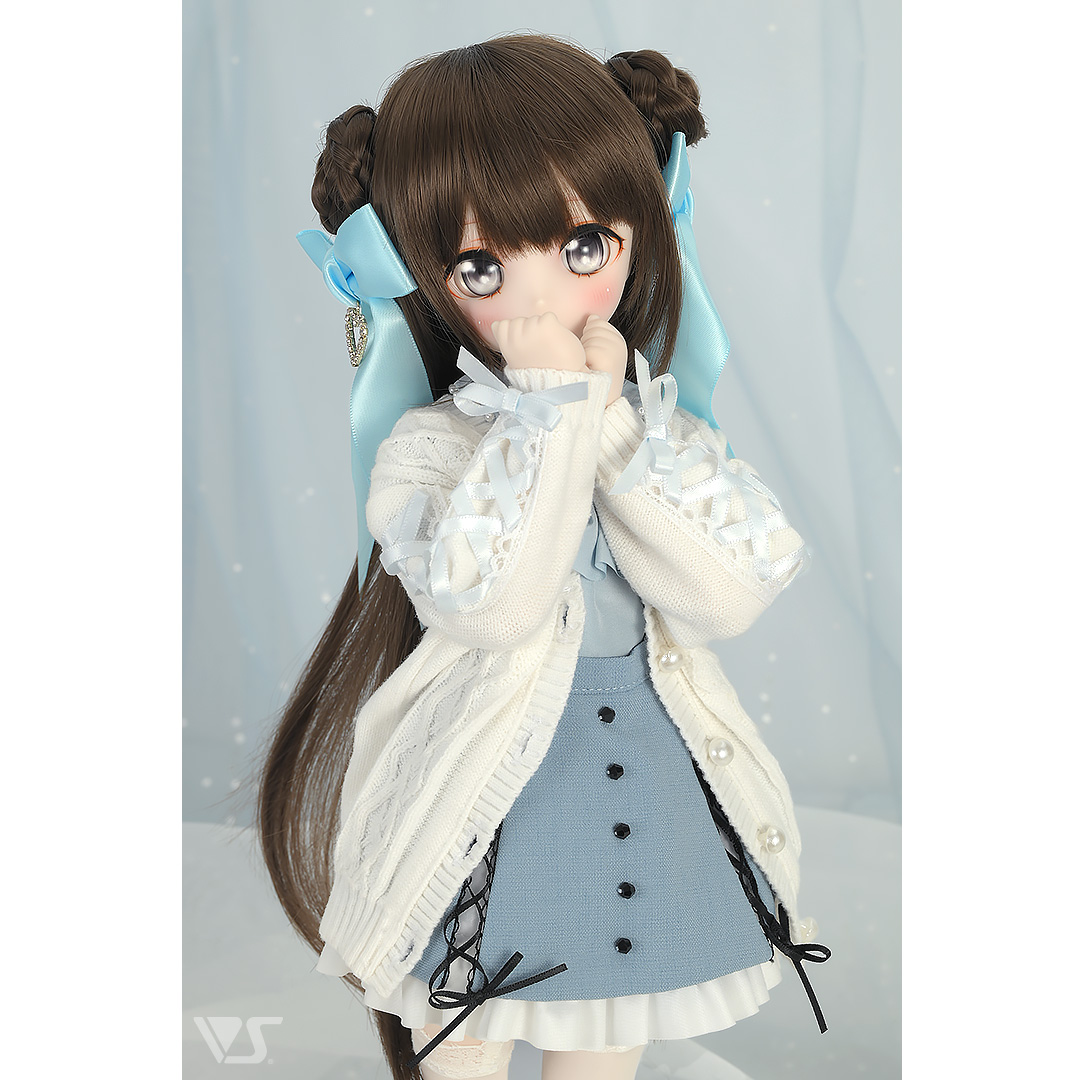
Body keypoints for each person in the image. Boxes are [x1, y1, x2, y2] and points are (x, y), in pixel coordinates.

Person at [259, 35, 828, 1080]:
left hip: (652, 785)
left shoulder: (658, 436)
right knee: (469, 1040)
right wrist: (552, 410)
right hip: (492, 803)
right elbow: (495, 606)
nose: (538, 299)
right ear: (426, 277)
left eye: (584, 246)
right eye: (481, 267)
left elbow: (731, 592)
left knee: (605, 1039)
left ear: (638, 232)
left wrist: (609, 425)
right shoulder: (433, 450)